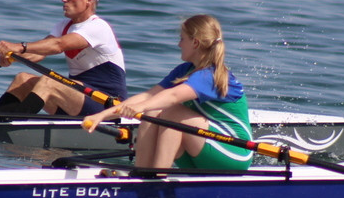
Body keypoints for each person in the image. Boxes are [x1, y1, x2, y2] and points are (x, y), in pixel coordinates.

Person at [83, 14, 253, 170]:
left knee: (172, 112)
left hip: (235, 152)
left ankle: (157, 177)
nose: (179, 44)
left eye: (182, 39)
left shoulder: (210, 75)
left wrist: (139, 107)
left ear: (195, 43)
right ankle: (141, 174)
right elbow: (148, 96)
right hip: (206, 148)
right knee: (153, 109)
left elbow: (173, 96)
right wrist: (102, 116)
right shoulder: (185, 70)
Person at [0, 0, 127, 117]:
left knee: (49, 81)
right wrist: (12, 57)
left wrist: (20, 46)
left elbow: (58, 45)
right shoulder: (63, 26)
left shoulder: (98, 27)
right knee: (22, 78)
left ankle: (15, 125)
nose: (64, 0)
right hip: (77, 98)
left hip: (106, 104)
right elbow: (38, 53)